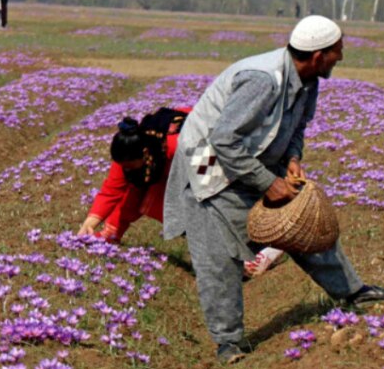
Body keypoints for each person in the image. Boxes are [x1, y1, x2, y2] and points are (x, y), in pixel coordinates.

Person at [162, 15, 384, 365]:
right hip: (211, 172)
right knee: (219, 260)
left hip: (253, 164)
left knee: (307, 224)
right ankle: (228, 343)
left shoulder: (308, 82)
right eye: (337, 51)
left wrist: (293, 157)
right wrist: (268, 183)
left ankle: (354, 292)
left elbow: (297, 127)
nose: (341, 57)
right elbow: (223, 139)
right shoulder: (262, 81)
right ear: (318, 55)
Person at [79, 108, 286, 278]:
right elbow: (113, 191)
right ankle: (227, 255)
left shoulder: (177, 144)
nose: (125, 170)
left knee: (202, 204)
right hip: (178, 166)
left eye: (129, 166)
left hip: (212, 152)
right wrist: (90, 223)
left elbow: (214, 178)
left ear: (145, 154)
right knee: (148, 200)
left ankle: (261, 249)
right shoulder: (128, 154)